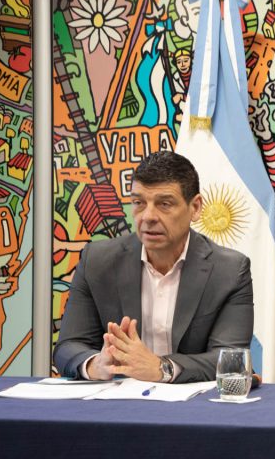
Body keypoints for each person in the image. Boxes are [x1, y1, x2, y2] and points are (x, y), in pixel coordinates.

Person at [54, 151, 253, 383]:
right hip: (118, 400)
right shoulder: (97, 261)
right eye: (139, 203)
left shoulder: (229, 271)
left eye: (164, 204)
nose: (148, 216)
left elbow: (230, 358)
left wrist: (161, 368)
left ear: (195, 207)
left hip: (194, 402)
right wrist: (96, 364)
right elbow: (68, 346)